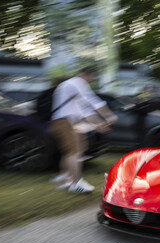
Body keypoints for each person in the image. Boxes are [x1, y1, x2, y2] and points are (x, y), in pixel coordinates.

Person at [49, 66, 117, 194]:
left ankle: (66, 181)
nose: (90, 82)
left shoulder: (69, 86)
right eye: (91, 79)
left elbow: (84, 111)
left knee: (73, 151)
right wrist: (109, 116)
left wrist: (99, 124)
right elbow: (92, 101)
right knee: (74, 152)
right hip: (65, 121)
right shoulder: (76, 83)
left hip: (64, 122)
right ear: (85, 74)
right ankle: (76, 184)